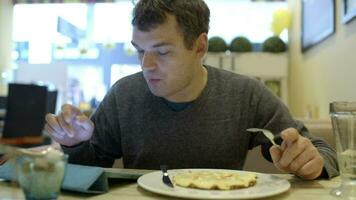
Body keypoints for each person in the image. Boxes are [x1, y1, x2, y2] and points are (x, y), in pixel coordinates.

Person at [44, 0, 338, 180]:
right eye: (140, 51)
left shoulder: (246, 95)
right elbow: (92, 169)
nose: (146, 65)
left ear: (200, 46)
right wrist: (75, 145)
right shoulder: (124, 95)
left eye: (161, 52)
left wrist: (312, 162)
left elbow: (322, 151)